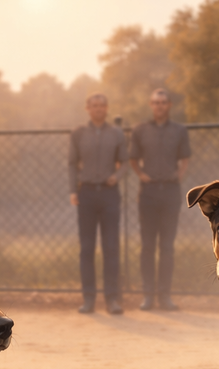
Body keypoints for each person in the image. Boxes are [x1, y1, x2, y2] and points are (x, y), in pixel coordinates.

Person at [130, 88, 191, 311]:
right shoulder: (140, 130)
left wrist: (179, 174)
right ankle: (148, 295)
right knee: (147, 246)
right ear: (150, 104)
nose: (159, 106)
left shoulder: (179, 130)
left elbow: (185, 157)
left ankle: (164, 296)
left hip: (171, 193)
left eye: (163, 102)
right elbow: (133, 158)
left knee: (167, 247)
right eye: (156, 102)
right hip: (148, 193)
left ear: (169, 105)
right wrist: (141, 175)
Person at [69, 93, 127, 314]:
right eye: (94, 106)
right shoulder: (79, 134)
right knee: (87, 248)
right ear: (87, 108)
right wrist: (73, 190)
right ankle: (89, 298)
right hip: (86, 194)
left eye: (102, 105)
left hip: (109, 194)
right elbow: (72, 164)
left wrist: (117, 176)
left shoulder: (116, 133)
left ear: (107, 108)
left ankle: (112, 299)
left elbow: (124, 163)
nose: (98, 109)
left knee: (111, 247)